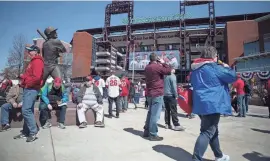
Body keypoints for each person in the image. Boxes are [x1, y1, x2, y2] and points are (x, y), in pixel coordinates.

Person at [190, 46, 236, 161]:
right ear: (214, 57)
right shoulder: (215, 67)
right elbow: (232, 77)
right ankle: (196, 159)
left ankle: (219, 155)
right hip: (213, 104)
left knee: (212, 130)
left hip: (200, 103)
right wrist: (227, 67)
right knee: (207, 132)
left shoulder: (195, 69)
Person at [14, 45, 44, 142]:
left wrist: (27, 83)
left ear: (36, 51)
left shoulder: (37, 61)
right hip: (28, 88)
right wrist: (22, 77)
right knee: (28, 110)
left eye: (30, 51)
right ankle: (26, 132)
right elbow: (29, 75)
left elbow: (37, 77)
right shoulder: (32, 62)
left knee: (26, 110)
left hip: (32, 89)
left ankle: (32, 132)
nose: (28, 52)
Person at [143, 53, 172, 141]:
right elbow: (169, 71)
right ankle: (153, 134)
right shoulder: (157, 67)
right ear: (156, 59)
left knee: (150, 113)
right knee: (155, 115)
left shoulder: (147, 67)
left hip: (150, 92)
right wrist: (164, 63)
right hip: (157, 92)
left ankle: (146, 132)